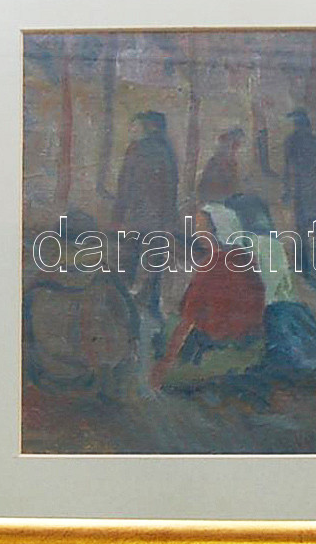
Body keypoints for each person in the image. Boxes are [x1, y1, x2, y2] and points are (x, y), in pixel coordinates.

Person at [224, 193, 316, 377]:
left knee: (296, 358)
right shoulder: (270, 243)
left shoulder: (249, 246)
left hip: (274, 315)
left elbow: (265, 290)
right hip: (289, 310)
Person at [150, 203, 265, 389]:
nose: (197, 233)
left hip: (217, 345)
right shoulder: (244, 258)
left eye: (202, 228)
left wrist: (165, 364)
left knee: (167, 332)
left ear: (216, 231)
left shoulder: (213, 264)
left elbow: (188, 320)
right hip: (246, 342)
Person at [112, 111, 179, 315]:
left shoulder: (136, 150)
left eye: (136, 126)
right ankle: (147, 304)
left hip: (138, 215)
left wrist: (118, 214)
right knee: (152, 262)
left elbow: (125, 185)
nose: (132, 130)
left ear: (148, 127)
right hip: (155, 218)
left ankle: (125, 302)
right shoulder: (166, 151)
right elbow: (171, 188)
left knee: (130, 260)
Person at [283, 109, 316, 288]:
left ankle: (306, 267)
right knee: (314, 230)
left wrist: (288, 190)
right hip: (312, 193)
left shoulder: (293, 142)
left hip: (305, 193)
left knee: (306, 231)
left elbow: (289, 169)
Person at [197, 127, 244, 203]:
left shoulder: (229, 160)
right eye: (237, 144)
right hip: (216, 197)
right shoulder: (221, 161)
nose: (238, 147)